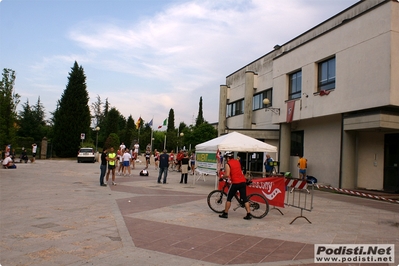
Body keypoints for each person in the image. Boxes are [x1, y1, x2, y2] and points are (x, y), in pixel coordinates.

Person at [219, 151, 252, 220]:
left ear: (228, 158)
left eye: (225, 158)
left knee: (229, 198)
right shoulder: (237, 162)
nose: (225, 159)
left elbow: (227, 174)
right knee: (244, 198)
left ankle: (225, 213)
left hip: (236, 182)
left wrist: (222, 178)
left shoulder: (228, 164)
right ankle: (249, 214)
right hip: (242, 181)